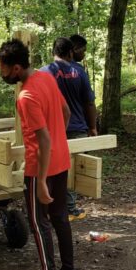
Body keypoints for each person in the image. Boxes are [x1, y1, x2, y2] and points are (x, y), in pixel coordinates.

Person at [0, 39, 81, 270]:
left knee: (38, 221)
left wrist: (41, 180)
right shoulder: (47, 78)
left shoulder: (26, 95)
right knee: (59, 218)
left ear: (17, 67)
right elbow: (65, 112)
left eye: (3, 69)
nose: (2, 74)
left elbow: (42, 139)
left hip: (38, 167)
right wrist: (58, 141)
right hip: (60, 160)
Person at [40, 36, 97, 221]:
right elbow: (89, 102)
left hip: (52, 130)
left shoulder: (44, 73)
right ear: (71, 52)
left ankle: (50, 207)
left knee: (51, 167)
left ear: (53, 52)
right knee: (71, 169)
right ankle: (69, 209)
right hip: (77, 129)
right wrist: (93, 127)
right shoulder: (79, 72)